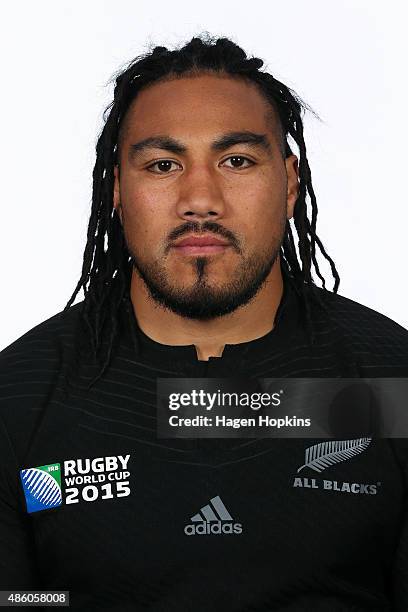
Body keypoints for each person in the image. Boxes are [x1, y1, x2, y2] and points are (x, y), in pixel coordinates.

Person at [1, 33, 408, 611]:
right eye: (164, 164)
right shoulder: (18, 396)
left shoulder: (393, 381)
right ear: (118, 187)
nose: (200, 198)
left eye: (236, 161)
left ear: (290, 183)